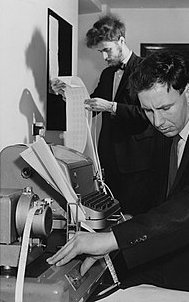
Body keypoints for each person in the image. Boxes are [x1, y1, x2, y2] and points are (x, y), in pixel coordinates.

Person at [47, 51, 189, 295]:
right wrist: (130, 220)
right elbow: (166, 199)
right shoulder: (170, 128)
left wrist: (113, 239)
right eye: (148, 111)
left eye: (164, 108)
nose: (157, 121)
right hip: (175, 259)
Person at [52, 13, 154, 216]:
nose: (104, 57)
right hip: (108, 159)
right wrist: (68, 94)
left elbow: (147, 114)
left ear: (121, 40)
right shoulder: (108, 73)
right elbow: (93, 105)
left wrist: (111, 106)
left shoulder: (145, 68)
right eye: (101, 52)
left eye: (106, 50)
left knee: (135, 218)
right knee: (112, 217)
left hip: (137, 162)